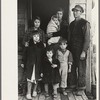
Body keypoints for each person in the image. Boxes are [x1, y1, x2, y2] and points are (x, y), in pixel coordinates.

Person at [69, 5, 90, 95]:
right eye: (74, 11)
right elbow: (69, 38)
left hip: (80, 50)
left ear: (81, 12)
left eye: (77, 11)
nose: (75, 12)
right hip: (72, 49)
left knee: (81, 69)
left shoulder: (85, 23)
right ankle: (73, 86)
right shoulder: (71, 24)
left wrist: (84, 51)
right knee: (72, 68)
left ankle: (81, 89)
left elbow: (87, 39)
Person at [21, 32, 45, 99]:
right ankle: (28, 93)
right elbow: (25, 54)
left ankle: (34, 90)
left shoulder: (41, 46)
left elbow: (43, 56)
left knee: (36, 78)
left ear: (40, 38)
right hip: (30, 64)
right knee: (29, 79)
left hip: (38, 64)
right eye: (35, 36)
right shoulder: (29, 45)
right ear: (32, 37)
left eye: (38, 36)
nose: (36, 37)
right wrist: (23, 62)